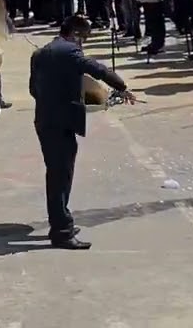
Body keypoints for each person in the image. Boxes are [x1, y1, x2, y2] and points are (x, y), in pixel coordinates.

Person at [29, 15, 133, 249]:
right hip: (60, 123)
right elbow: (97, 69)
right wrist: (122, 87)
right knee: (60, 176)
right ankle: (62, 232)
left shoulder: (39, 53)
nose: (83, 43)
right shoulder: (70, 52)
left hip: (44, 121)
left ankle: (60, 220)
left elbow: (33, 89)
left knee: (57, 174)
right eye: (83, 38)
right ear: (75, 34)